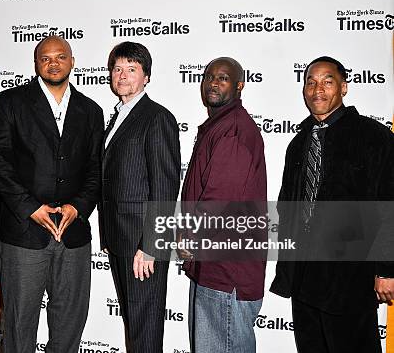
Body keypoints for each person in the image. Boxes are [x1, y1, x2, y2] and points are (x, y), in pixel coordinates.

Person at [270, 56, 394, 353]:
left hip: (351, 278)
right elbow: (288, 206)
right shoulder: (298, 143)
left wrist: (386, 270)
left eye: (327, 81)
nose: (317, 90)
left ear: (344, 87)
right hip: (304, 279)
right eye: (310, 82)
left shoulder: (374, 137)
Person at [0, 36, 103, 352]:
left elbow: (95, 168)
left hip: (73, 231)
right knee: (18, 321)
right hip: (24, 232)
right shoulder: (11, 103)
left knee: (70, 318)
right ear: (36, 63)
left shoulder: (91, 110)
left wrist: (78, 207)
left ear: (72, 61)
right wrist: (29, 208)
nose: (53, 63)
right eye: (45, 58)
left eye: (60, 56)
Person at [179, 57, 267, 353]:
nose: (213, 83)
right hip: (216, 265)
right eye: (209, 77)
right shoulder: (222, 125)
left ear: (240, 86)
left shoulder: (232, 130)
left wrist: (188, 236)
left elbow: (220, 199)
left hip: (226, 270)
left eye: (223, 78)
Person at [99, 41, 180, 352]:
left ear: (146, 76)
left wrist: (150, 245)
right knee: (134, 326)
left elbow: (165, 186)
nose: (123, 75)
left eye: (131, 70)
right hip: (120, 240)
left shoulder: (157, 117)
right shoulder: (120, 115)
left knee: (144, 330)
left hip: (142, 247)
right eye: (118, 69)